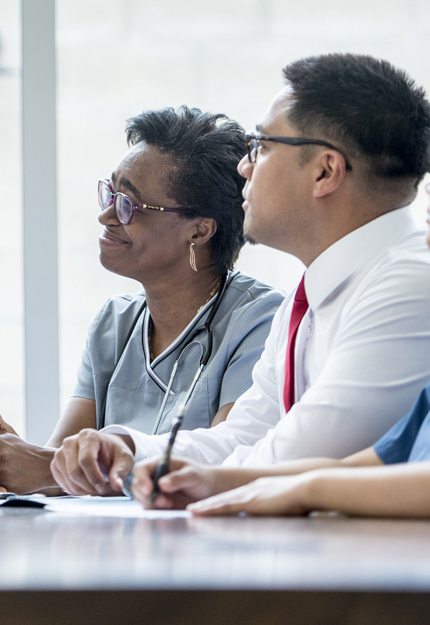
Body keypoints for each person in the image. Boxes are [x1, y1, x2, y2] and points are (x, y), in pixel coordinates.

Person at [51, 53, 430, 496]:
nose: (244, 166)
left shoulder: (410, 285)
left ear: (325, 171)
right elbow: (245, 435)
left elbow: (298, 454)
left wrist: (168, 473)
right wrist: (131, 449)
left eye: (262, 147)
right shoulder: (308, 297)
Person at [0, 107, 283, 494]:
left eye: (128, 204)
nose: (105, 216)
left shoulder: (261, 322)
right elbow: (58, 468)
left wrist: (41, 466)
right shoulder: (115, 322)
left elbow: (230, 462)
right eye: (110, 193)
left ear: (198, 231)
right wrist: (10, 460)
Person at [126, 186, 430, 519]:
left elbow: (317, 461)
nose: (245, 166)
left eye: (261, 147)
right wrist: (215, 480)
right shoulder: (302, 300)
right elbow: (371, 464)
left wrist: (306, 490)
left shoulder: (408, 278)